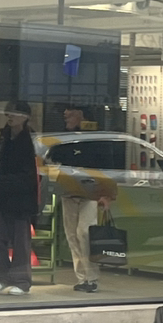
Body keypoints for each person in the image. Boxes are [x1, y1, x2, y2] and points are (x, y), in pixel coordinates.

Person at [57, 103, 115, 293]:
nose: (66, 115)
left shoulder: (95, 138)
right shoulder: (65, 137)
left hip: (91, 193)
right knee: (72, 235)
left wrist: (106, 194)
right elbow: (56, 157)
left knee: (84, 233)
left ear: (80, 114)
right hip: (69, 190)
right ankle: (82, 277)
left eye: (70, 113)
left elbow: (106, 167)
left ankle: (91, 277)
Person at [0, 100, 39, 296]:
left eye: (14, 113)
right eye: (8, 113)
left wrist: (1, 180)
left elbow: (31, 174)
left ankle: (22, 281)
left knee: (21, 242)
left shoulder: (31, 140)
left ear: (25, 117)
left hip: (21, 200)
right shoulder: (2, 137)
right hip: (0, 197)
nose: (10, 116)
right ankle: (2, 277)